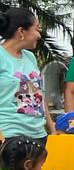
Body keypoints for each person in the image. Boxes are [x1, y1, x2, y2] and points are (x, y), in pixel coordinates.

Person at [0, 8, 54, 143]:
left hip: (38, 134)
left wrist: (51, 126)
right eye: (36, 29)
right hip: (9, 135)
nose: (39, 35)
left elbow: (39, 94)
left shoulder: (30, 57)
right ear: (21, 31)